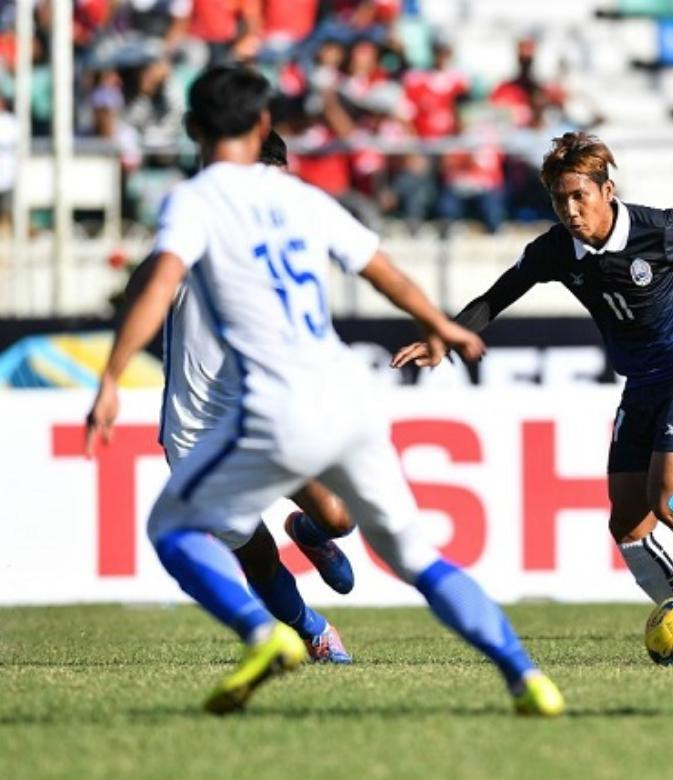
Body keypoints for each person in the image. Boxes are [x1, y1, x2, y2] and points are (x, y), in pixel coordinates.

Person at [84, 64, 564, 718]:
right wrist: (440, 323)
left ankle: (262, 634)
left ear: (195, 128)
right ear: (261, 125)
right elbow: (382, 269)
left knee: (173, 531)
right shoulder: (306, 200)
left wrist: (111, 377)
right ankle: (526, 676)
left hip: (268, 408)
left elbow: (156, 280)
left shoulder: (196, 201)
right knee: (417, 558)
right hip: (345, 396)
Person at [393, 132, 673, 655]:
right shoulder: (556, 250)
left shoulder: (660, 230)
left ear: (608, 191)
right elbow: (496, 296)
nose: (571, 211)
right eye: (559, 199)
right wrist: (445, 338)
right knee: (627, 523)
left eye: (581, 196)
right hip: (641, 381)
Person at [118, 129, 358, 665]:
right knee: (257, 555)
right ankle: (313, 631)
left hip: (269, 416)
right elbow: (140, 294)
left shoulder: (291, 241)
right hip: (198, 432)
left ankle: (311, 532)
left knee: (341, 516)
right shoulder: (195, 233)